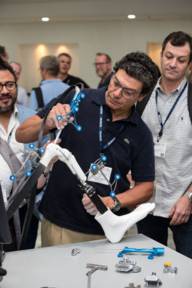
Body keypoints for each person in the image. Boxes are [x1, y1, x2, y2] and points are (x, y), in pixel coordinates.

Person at [16, 52, 160, 247]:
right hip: (60, 225)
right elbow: (22, 134)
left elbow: (146, 187)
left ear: (141, 96)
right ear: (113, 74)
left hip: (107, 232)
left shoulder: (140, 133)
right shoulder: (78, 99)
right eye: (116, 83)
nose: (116, 93)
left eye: (128, 92)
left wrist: (112, 201)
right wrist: (48, 121)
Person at [137, 31, 192, 258]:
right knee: (150, 265)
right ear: (161, 56)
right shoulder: (142, 95)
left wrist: (188, 198)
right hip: (147, 202)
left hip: (184, 205)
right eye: (169, 56)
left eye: (180, 60)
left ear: (189, 65)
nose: (172, 64)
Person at [0, 58, 39, 251]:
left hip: (25, 213)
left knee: (24, 265)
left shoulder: (31, 117)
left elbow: (44, 159)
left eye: (9, 84)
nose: (5, 91)